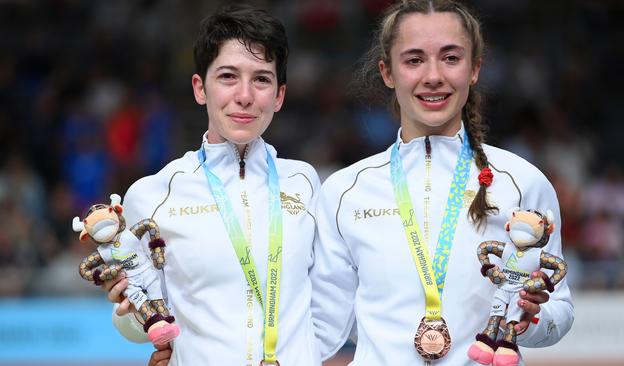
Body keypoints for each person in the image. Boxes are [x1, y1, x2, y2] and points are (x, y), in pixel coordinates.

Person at [309, 1, 574, 365]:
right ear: (387, 72)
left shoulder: (522, 181)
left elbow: (559, 307)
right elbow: (322, 325)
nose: (433, 76)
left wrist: (531, 320)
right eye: (414, 60)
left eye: (450, 58)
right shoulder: (345, 192)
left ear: (475, 68)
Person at [102, 5, 321, 366]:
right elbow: (140, 324)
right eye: (228, 77)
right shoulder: (154, 195)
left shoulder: (307, 183)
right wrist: (130, 312)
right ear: (200, 88)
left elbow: (328, 308)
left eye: (262, 79)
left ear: (279, 96)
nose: (245, 95)